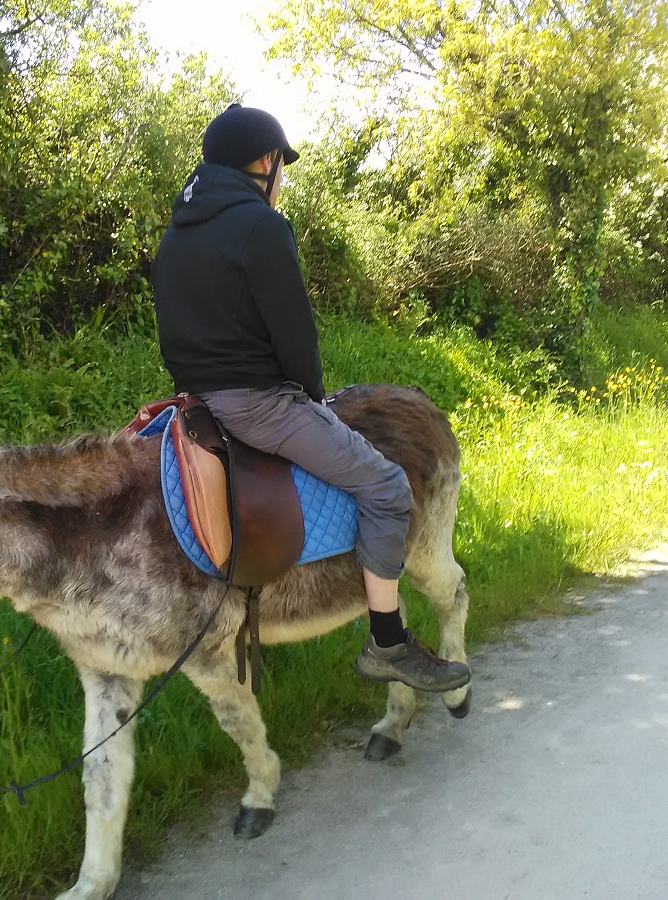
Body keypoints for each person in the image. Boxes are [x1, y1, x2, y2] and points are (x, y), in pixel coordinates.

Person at [151, 104, 471, 693]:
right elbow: (295, 333)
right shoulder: (261, 226)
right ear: (266, 163)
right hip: (260, 408)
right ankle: (386, 640)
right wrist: (315, 401)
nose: (281, 179)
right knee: (387, 487)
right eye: (281, 166)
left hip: (191, 407)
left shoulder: (175, 237)